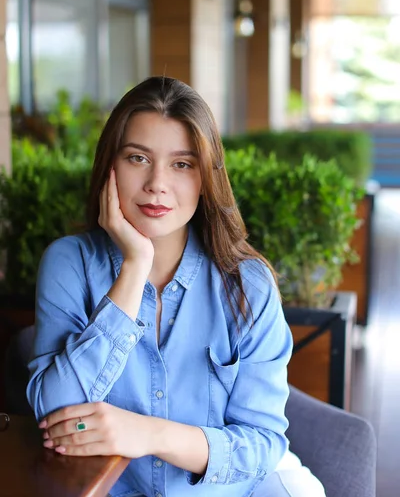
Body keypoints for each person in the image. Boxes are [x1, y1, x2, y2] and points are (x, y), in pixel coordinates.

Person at [27, 76, 325, 497]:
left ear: (206, 177)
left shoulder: (247, 284)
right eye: (137, 158)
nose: (157, 184)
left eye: (182, 164)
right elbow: (55, 414)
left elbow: (262, 445)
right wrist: (134, 267)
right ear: (109, 166)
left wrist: (149, 434)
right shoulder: (70, 263)